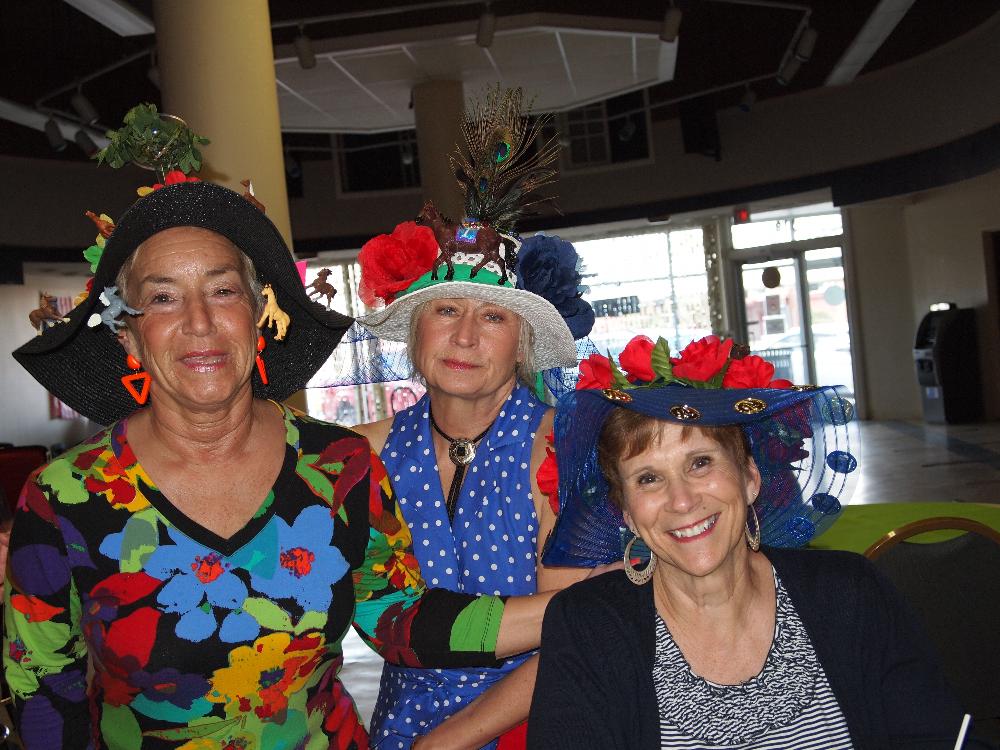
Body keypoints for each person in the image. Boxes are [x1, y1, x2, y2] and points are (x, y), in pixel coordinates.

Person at [4, 171, 554, 749]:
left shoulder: (339, 465)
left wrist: (582, 600)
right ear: (129, 337)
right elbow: (42, 690)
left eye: (222, 291)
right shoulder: (65, 496)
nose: (199, 322)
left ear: (259, 313)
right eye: (163, 297)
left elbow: (404, 620)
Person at [528, 334, 974, 749]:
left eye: (700, 463)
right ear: (626, 511)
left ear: (750, 478)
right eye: (648, 478)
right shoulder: (586, 627)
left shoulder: (851, 593)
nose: (681, 500)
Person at [351, 89, 599, 749]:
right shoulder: (361, 454)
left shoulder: (560, 448)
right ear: (416, 332)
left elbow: (578, 636)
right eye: (446, 310)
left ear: (521, 343)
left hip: (536, 728)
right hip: (399, 731)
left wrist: (446, 742)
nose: (464, 337)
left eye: (492, 316)